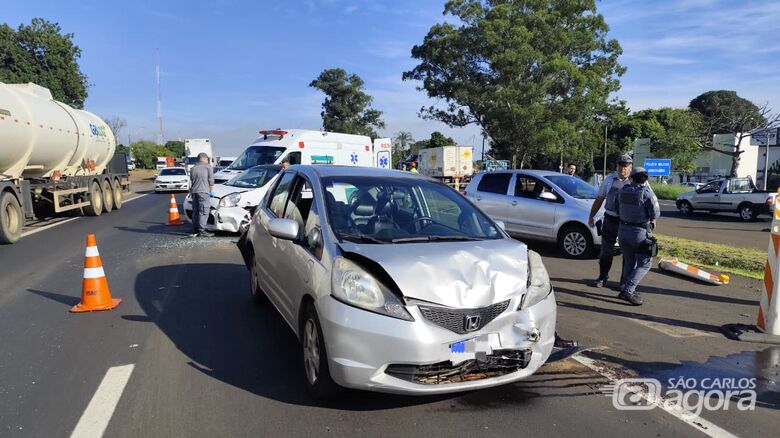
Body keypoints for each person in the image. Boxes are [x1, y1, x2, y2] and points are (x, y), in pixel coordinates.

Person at [615, 167, 660, 305]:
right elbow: (655, 214)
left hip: (622, 230)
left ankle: (624, 286)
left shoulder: (622, 191)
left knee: (629, 260)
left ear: (631, 177)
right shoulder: (647, 193)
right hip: (639, 233)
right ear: (645, 178)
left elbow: (616, 208)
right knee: (645, 264)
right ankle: (628, 290)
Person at [588, 154, 633, 288]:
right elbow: (600, 198)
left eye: (625, 166)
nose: (622, 169)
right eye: (620, 165)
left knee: (627, 253)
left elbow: (649, 200)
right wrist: (591, 216)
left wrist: (652, 220)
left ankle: (624, 282)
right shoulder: (609, 179)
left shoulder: (636, 180)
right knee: (606, 251)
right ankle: (602, 277)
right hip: (610, 219)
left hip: (628, 222)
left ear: (631, 168)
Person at [189, 152, 215, 237]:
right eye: (207, 159)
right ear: (204, 158)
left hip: (194, 191)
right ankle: (202, 230)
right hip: (203, 191)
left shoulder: (193, 168)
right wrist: (211, 191)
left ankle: (195, 228)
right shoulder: (208, 167)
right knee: (204, 211)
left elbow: (192, 180)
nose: (208, 160)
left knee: (195, 211)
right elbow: (211, 180)